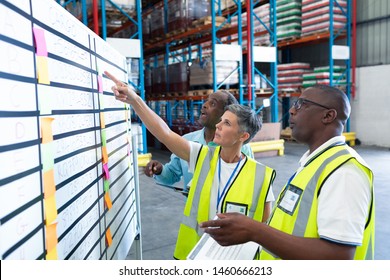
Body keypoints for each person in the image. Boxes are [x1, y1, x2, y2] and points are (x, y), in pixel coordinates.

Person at [104, 71, 276, 260]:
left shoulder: (261, 174)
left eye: (226, 123)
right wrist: (135, 100)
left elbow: (264, 223)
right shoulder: (201, 156)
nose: (218, 125)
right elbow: (164, 133)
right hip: (195, 252)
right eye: (220, 121)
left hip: (235, 257)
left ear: (243, 137)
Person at [200, 84, 375, 260]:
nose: (291, 110)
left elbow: (339, 256)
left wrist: (254, 231)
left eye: (301, 104)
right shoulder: (314, 163)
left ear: (328, 116)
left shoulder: (344, 172)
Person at [144, 90, 254, 195]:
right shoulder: (187, 140)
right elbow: (172, 174)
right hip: (196, 212)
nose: (204, 105)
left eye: (213, 104)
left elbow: (248, 186)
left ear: (226, 115)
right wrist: (159, 170)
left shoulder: (242, 147)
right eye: (206, 101)